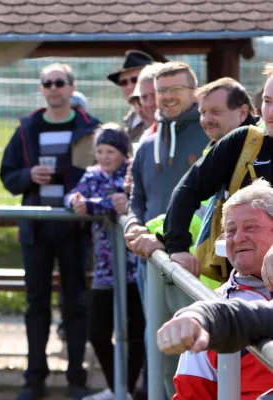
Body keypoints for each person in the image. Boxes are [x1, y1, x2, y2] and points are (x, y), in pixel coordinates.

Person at [0, 63, 100, 400]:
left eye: (60, 83)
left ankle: (77, 380)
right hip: (37, 232)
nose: (54, 88)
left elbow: (103, 174)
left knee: (76, 306)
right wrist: (30, 176)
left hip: (75, 231)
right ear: (41, 89)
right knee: (36, 305)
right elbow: (7, 176)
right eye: (48, 83)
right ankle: (34, 379)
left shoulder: (89, 128)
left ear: (73, 88)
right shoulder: (27, 127)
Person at [128, 61, 209, 398]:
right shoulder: (147, 144)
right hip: (153, 265)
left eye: (176, 89)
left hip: (198, 265)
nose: (166, 97)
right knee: (160, 353)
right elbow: (138, 197)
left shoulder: (211, 134)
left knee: (199, 355)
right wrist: (132, 223)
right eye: (161, 91)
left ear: (195, 92)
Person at [163, 65, 273, 279]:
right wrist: (177, 247)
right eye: (267, 101)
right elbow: (188, 188)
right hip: (244, 283)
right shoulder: (245, 142)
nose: (270, 112)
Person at [169, 178, 273, 398]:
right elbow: (192, 393)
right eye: (230, 230)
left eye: (250, 227)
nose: (238, 238)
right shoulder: (211, 307)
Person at [65, 124, 145, 400]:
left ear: (123, 153)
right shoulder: (92, 175)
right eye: (99, 150)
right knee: (98, 332)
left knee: (136, 335)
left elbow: (121, 202)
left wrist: (94, 204)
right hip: (105, 270)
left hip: (135, 268)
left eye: (110, 151)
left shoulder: (131, 173)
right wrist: (75, 200)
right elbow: (77, 197)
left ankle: (129, 389)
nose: (104, 156)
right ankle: (117, 388)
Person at [107, 50, 154, 143]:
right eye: (123, 82)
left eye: (135, 80)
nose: (129, 87)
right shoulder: (130, 119)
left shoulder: (161, 116)